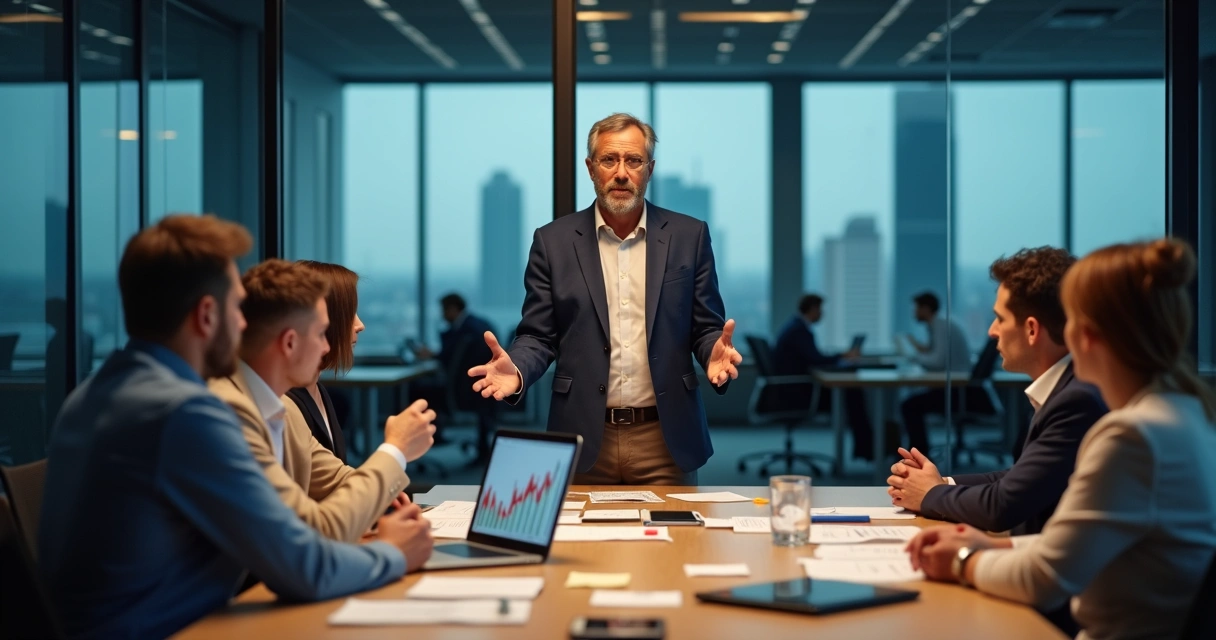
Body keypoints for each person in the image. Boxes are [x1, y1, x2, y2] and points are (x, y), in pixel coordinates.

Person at [38, 215, 434, 639]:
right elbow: (306, 566)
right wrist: (393, 552)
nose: (245, 324)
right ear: (207, 316)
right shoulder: (184, 414)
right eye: (235, 308)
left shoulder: (95, 394)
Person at [906, 238, 1216, 640]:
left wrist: (962, 560)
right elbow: (1070, 548)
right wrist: (995, 548)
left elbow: (1045, 578)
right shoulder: (1188, 412)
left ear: (1086, 334)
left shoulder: (1133, 437)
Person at [468, 112, 742, 485]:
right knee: (578, 545)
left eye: (634, 160)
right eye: (609, 160)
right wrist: (516, 370)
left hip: (665, 438)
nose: (621, 172)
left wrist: (713, 352)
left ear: (649, 169)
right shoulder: (553, 242)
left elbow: (704, 326)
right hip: (580, 436)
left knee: (678, 544)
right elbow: (538, 335)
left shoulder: (688, 236)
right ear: (591, 167)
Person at [209, 259, 436, 543]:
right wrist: (396, 448)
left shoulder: (280, 408)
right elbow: (308, 534)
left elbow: (338, 479)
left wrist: (384, 492)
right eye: (320, 333)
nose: (327, 345)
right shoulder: (230, 413)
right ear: (290, 342)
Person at [888, 248, 1107, 535]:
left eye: (1000, 319)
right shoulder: (1069, 388)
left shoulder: (1077, 400)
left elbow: (1003, 506)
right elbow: (1018, 479)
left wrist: (930, 494)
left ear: (1031, 330)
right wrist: (940, 482)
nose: (992, 331)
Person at [772, 294, 875, 461]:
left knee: (851, 392)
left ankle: (865, 448)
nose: (822, 314)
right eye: (820, 310)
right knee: (852, 393)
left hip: (791, 390)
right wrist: (844, 355)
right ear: (813, 309)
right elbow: (816, 359)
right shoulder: (798, 330)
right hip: (796, 394)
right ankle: (867, 449)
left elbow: (813, 358)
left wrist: (840, 357)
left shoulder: (796, 327)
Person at [284, 261, 364, 462]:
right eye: (349, 314)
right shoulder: (284, 404)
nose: (360, 325)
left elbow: (334, 477)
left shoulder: (318, 390)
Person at [411, 293, 496, 458]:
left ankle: (428, 434)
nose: (442, 315)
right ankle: (435, 432)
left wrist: (431, 354)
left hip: (467, 388)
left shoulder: (466, 330)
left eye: (444, 310)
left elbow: (449, 357)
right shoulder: (476, 324)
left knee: (417, 390)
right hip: (481, 385)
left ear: (453, 309)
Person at [898, 290, 980, 453]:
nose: (914, 312)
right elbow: (936, 356)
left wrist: (913, 356)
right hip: (959, 387)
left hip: (959, 392)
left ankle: (919, 453)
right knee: (911, 402)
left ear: (926, 309)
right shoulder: (939, 324)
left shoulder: (941, 326)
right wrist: (920, 350)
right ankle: (918, 451)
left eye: (917, 308)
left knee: (909, 405)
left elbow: (937, 361)